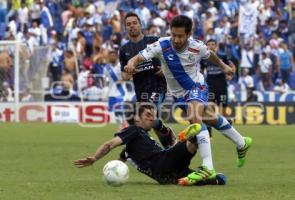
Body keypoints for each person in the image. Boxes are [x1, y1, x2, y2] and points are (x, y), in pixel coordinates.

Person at [124, 15, 252, 185]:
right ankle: (242, 142)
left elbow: (210, 54)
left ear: (189, 34)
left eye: (180, 36)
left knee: (196, 120)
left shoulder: (196, 46)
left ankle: (208, 167)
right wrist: (131, 64)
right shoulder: (161, 45)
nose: (176, 39)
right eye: (174, 35)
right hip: (179, 96)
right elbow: (138, 57)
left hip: (196, 87)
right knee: (211, 119)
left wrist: (224, 66)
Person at [74, 104, 227, 186]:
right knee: (198, 129)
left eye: (153, 116)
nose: (151, 118)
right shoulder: (134, 130)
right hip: (164, 161)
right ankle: (193, 134)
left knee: (219, 180)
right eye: (147, 115)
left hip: (165, 175)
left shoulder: (131, 148)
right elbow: (110, 144)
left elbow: (120, 159)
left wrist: (117, 166)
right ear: (137, 118)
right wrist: (94, 158)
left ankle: (192, 139)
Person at [119, 12, 175, 148]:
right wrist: (129, 72)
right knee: (152, 122)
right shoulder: (124, 49)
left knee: (147, 117)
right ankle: (169, 148)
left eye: (134, 23)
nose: (132, 26)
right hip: (141, 91)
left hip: (157, 86)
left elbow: (172, 60)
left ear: (140, 24)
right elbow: (124, 76)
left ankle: (165, 139)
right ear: (125, 28)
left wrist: (165, 71)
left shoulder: (154, 40)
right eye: (128, 24)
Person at [200, 39, 236, 136]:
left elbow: (232, 66)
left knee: (223, 111)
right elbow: (201, 71)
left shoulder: (223, 56)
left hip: (221, 85)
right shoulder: (204, 58)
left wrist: (230, 75)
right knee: (209, 108)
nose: (211, 46)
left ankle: (229, 126)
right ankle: (209, 133)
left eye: (213, 44)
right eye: (209, 44)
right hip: (210, 85)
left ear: (216, 46)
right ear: (206, 46)